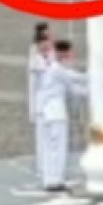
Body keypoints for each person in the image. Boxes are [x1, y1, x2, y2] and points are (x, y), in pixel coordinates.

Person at [38, 40, 88, 192]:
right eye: (69, 53)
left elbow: (74, 89)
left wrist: (90, 91)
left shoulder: (54, 69)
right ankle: (55, 179)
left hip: (49, 113)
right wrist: (98, 75)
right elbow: (77, 78)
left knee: (52, 147)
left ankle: (51, 178)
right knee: (57, 147)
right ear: (63, 53)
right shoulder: (57, 69)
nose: (71, 56)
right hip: (55, 113)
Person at [28, 23, 52, 180]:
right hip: (41, 103)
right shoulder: (35, 59)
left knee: (51, 137)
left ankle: (50, 165)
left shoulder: (50, 55)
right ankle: (42, 166)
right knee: (42, 137)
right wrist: (33, 109)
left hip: (51, 104)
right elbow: (33, 86)